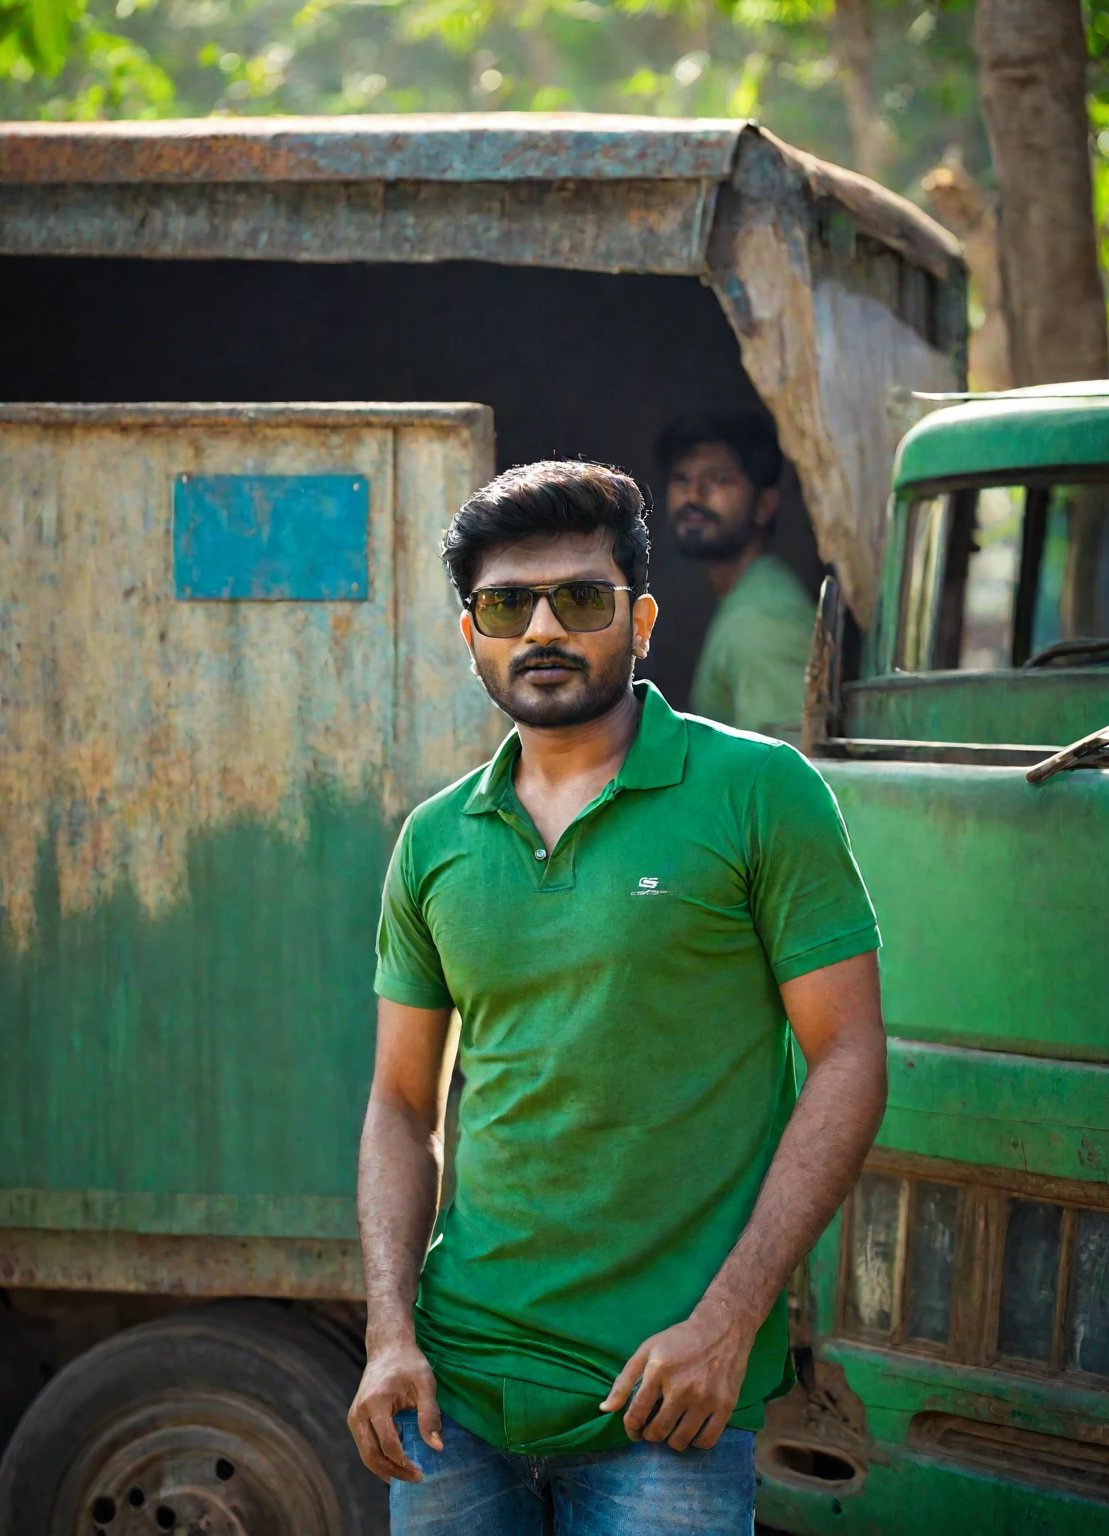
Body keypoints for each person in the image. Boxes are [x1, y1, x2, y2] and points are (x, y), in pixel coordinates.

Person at [347, 459, 886, 1535]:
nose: (542, 627)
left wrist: (732, 1323)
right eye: (507, 604)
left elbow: (850, 1058)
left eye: (581, 599)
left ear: (639, 619)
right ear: (473, 636)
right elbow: (402, 1106)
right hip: (456, 1401)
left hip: (668, 1401)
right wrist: (389, 1332)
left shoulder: (759, 793)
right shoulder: (435, 841)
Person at [660, 413, 818, 736]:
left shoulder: (766, 618)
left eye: (719, 480)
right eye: (682, 479)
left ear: (764, 505)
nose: (694, 496)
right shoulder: (747, 596)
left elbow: (786, 769)